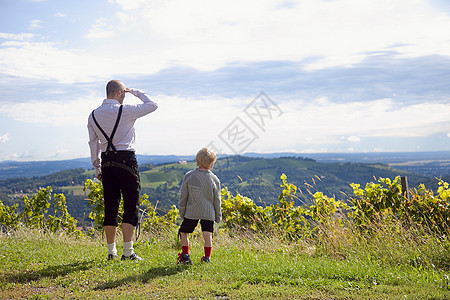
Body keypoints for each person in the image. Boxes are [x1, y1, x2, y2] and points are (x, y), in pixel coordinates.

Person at [87, 80, 158, 261]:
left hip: (107, 161)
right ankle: (128, 251)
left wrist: (97, 167)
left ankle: (111, 252)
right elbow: (152, 105)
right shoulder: (125, 110)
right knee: (130, 205)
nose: (125, 96)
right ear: (119, 93)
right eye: (124, 93)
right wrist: (135, 91)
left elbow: (93, 144)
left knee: (111, 206)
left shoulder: (93, 115)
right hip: (126, 160)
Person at [177, 148, 222, 264]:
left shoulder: (189, 176)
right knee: (207, 234)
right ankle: (207, 257)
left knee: (184, 232)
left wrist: (182, 212)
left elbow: (183, 197)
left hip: (192, 211)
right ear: (211, 164)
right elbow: (217, 200)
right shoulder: (214, 179)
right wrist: (218, 216)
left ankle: (185, 255)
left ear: (197, 162)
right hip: (209, 212)